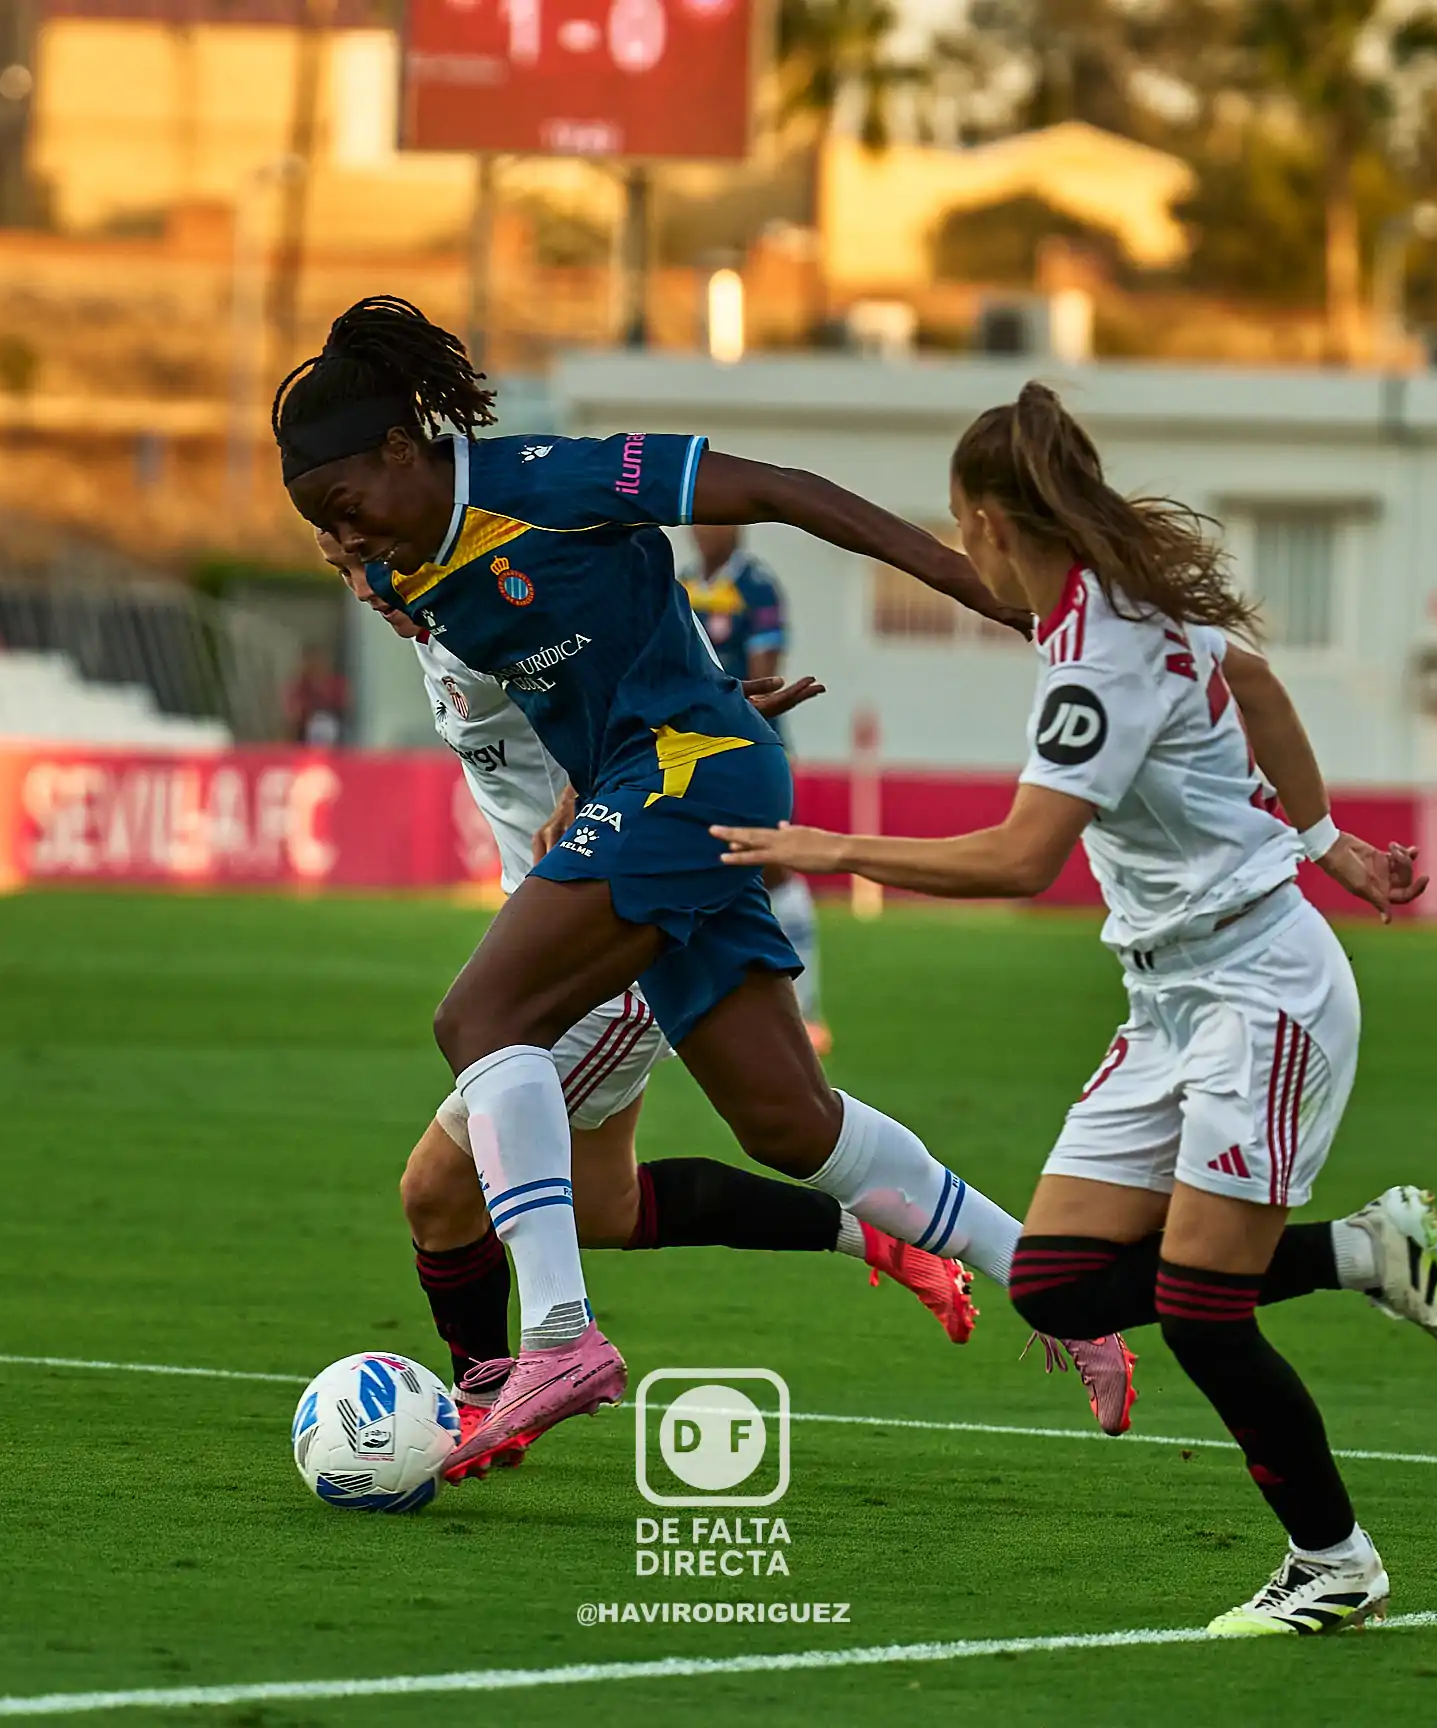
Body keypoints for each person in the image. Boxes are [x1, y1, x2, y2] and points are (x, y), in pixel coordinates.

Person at [274, 298, 1132, 1475]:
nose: (347, 540)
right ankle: (1054, 1292)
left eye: (346, 507)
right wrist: (714, 697)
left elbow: (778, 488)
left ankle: (562, 1339)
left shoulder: (549, 477)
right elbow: (613, 644)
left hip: (679, 775)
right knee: (789, 1125)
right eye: (324, 531)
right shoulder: (412, 570)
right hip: (685, 773)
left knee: (481, 1021)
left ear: (397, 448)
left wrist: (970, 586)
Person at [714, 382, 1437, 1637]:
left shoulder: (1097, 658)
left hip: (1261, 994)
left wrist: (836, 846)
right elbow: (1261, 685)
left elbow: (1023, 860)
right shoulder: (1116, 605)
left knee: (1197, 1308)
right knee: (1063, 1287)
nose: (963, 556)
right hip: (1170, 998)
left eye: (961, 533)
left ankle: (1336, 1561)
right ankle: (1365, 1252)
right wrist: (1328, 837)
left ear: (991, 522)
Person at [315, 531, 987, 1483]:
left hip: (597, 948)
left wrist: (679, 733)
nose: (360, 586)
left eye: (363, 556)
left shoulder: (488, 609)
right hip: (557, 935)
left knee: (439, 1189)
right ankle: (873, 1230)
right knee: (601, 1202)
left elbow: (621, 666)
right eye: (337, 569)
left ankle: (487, 1394)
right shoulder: (438, 626)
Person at [685, 527, 830, 1054]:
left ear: (736, 527)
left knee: (772, 868)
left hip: (750, 744)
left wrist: (733, 721)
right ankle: (704, 1010)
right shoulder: (680, 585)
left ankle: (808, 1011)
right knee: (696, 867)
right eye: (698, 520)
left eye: (716, 520)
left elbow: (767, 677)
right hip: (687, 751)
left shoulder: (757, 586)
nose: (705, 531)